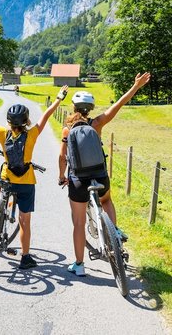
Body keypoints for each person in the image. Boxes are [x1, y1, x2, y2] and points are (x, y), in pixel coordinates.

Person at [0, 86, 68, 270]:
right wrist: (59, 97)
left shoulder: (3, 133)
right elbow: (47, 114)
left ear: (9, 122)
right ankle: (25, 258)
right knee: (25, 221)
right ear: (26, 122)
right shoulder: (32, 134)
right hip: (26, 182)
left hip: (7, 179)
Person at [59, 73, 151, 277]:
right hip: (99, 176)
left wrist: (61, 176)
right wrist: (135, 86)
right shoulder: (97, 124)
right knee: (106, 199)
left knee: (79, 223)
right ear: (90, 109)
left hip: (78, 181)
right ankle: (114, 231)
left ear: (74, 108)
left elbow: (62, 157)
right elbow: (119, 104)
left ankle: (79, 265)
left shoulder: (67, 130)